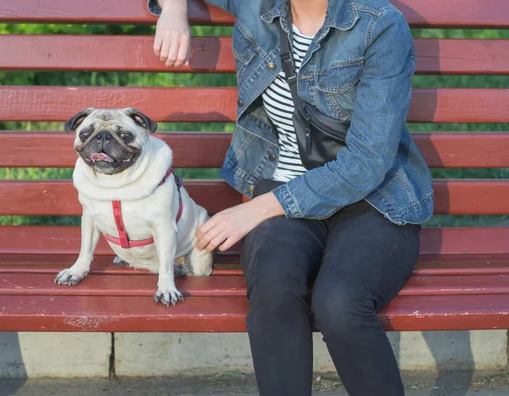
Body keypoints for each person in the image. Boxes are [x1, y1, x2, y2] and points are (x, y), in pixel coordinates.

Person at [148, 0, 434, 395]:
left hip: (374, 200)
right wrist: (174, 11)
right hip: (283, 191)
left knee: (340, 302)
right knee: (273, 284)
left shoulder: (379, 25)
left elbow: (368, 162)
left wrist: (255, 210)